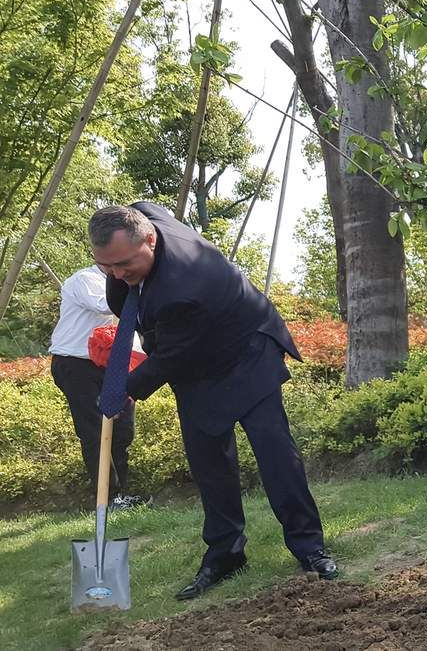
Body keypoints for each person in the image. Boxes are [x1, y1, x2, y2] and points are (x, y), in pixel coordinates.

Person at [88, 202, 337, 601]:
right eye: (107, 266)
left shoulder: (183, 285)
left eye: (124, 264)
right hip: (197, 366)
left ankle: (310, 548)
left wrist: (124, 388)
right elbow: (145, 210)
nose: (117, 275)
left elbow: (171, 356)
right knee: (209, 462)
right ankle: (226, 555)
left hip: (246, 353)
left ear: (150, 241)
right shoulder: (142, 217)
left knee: (275, 454)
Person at [49, 265, 144, 510]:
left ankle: (121, 496)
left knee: (123, 429)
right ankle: (108, 499)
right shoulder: (85, 279)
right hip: (76, 363)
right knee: (94, 431)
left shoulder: (135, 284)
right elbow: (108, 305)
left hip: (113, 363)